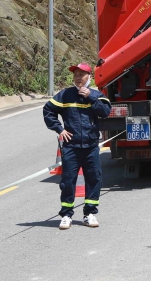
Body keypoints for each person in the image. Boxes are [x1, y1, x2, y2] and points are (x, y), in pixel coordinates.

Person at [43, 62, 111, 230]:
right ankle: (66, 215)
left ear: (89, 77)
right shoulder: (66, 95)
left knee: (94, 178)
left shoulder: (97, 94)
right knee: (68, 181)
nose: (78, 78)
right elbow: (48, 110)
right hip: (70, 146)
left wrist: (91, 97)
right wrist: (59, 129)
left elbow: (105, 112)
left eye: (82, 75)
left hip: (91, 146)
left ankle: (89, 214)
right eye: (76, 75)